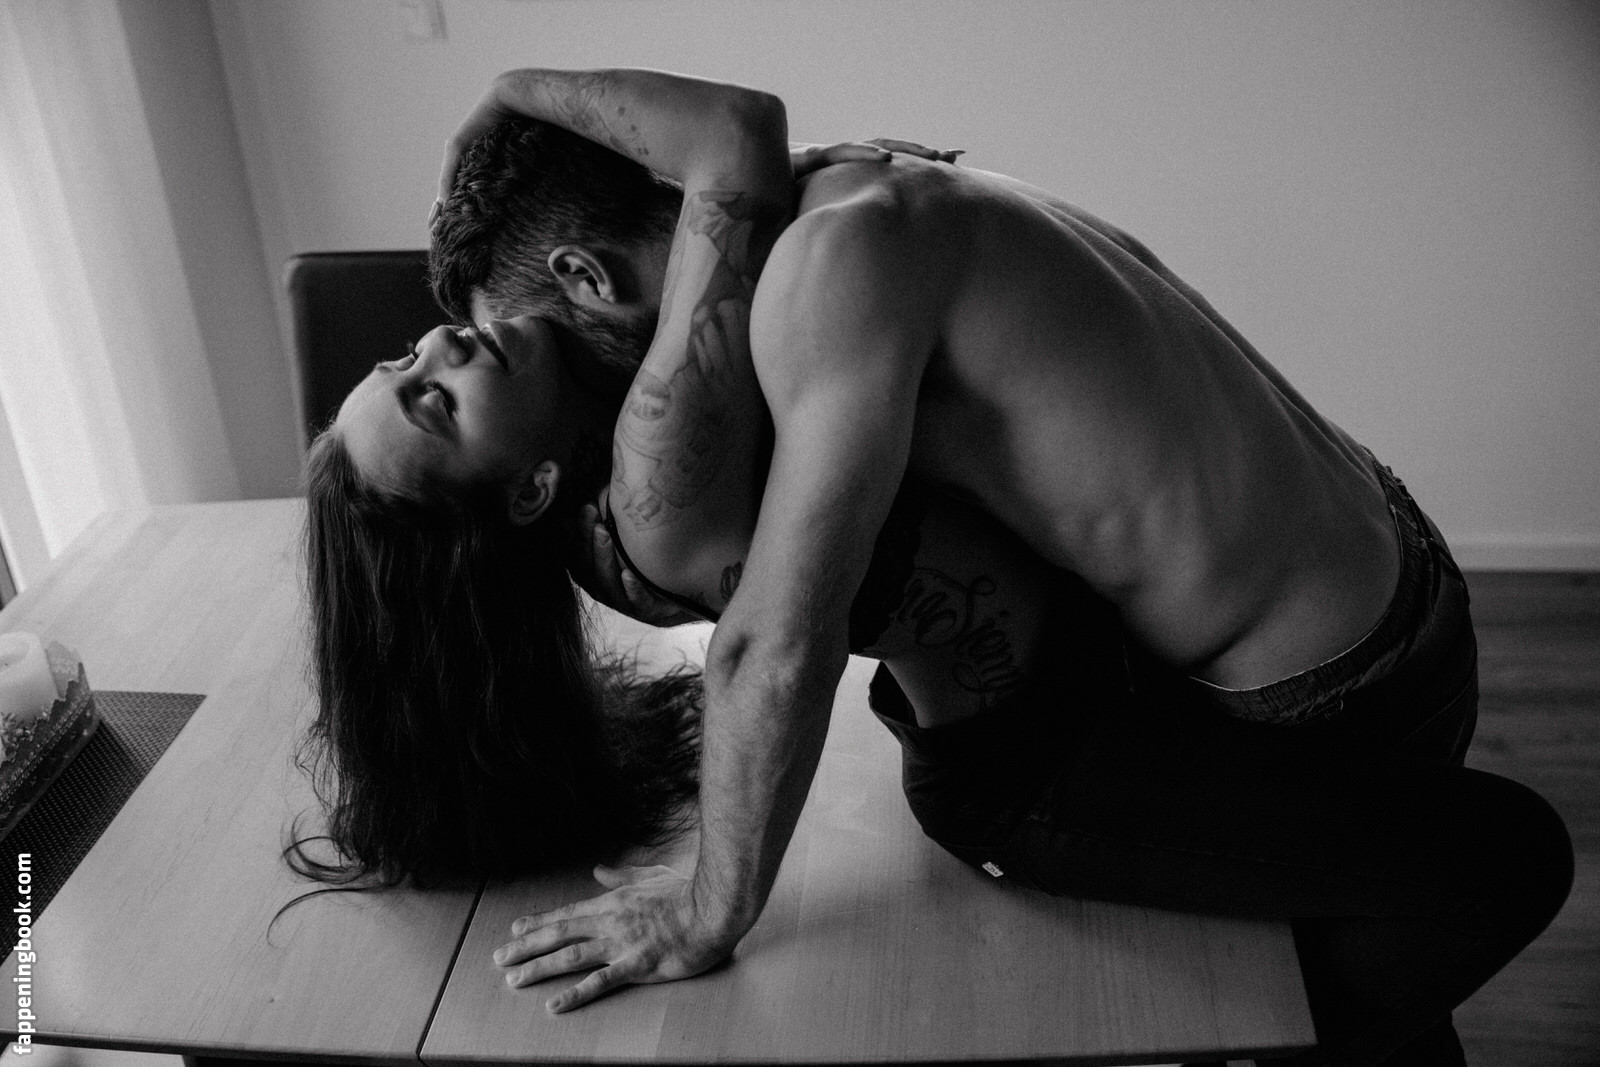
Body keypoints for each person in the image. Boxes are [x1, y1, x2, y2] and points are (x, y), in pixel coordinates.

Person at [312, 68, 1571, 1066]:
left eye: (501, 332)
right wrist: (509, 96)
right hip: (1384, 566)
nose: (452, 349)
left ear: (587, 276)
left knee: (1385, 944)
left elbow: (777, 638)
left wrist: (709, 907)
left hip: (1316, 685)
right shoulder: (854, 180)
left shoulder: (819, 287)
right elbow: (735, 133)